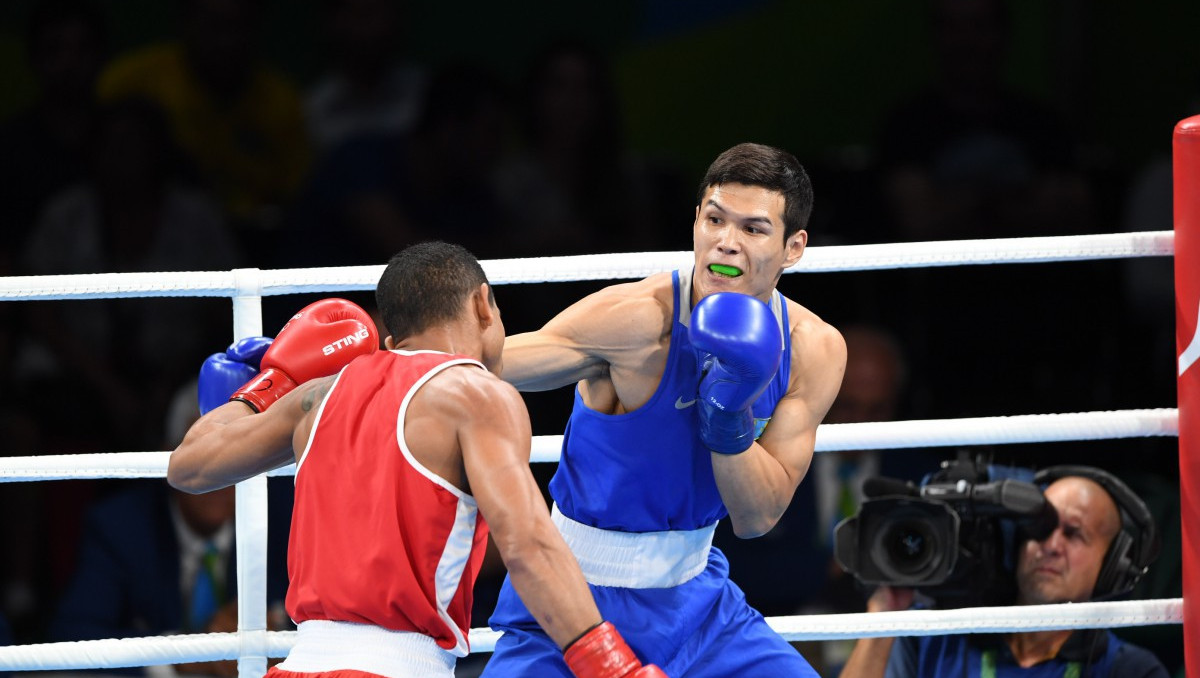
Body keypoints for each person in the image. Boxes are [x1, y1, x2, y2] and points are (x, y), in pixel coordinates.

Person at [168, 242, 666, 678]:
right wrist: (611, 665)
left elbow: (188, 467)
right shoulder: (477, 393)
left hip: (300, 664)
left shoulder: (318, 396)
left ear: (390, 337)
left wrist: (266, 386)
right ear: (483, 305)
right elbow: (529, 545)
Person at [483, 142, 848, 677]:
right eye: (715, 219)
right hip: (572, 604)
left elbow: (755, 517)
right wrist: (366, 363)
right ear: (696, 220)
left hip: (700, 609)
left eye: (753, 229)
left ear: (793, 247)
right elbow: (485, 366)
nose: (726, 242)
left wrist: (728, 414)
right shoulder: (633, 321)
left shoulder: (813, 348)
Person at [49, 379, 292, 678]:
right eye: (207, 452)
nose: (222, 471)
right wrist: (185, 655)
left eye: (238, 453)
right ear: (169, 457)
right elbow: (72, 637)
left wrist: (275, 643)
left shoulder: (287, 515)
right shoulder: (121, 526)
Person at [838, 466, 1169, 677]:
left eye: (1074, 533)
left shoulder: (1130, 670)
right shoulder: (933, 638)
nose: (1051, 544)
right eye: (1040, 527)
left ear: (1113, 565)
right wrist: (885, 614)